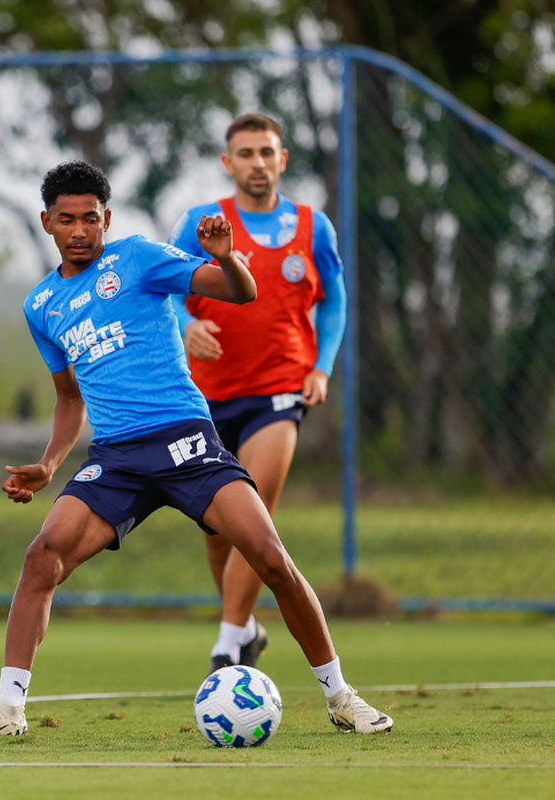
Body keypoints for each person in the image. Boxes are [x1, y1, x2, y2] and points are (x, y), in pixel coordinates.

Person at [0, 161, 390, 738]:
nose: (79, 230)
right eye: (66, 220)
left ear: (106, 218)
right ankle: (7, 709)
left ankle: (340, 696)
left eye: (90, 218)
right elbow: (67, 398)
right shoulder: (42, 306)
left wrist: (228, 256)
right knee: (43, 556)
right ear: (46, 222)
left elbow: (240, 290)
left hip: (185, 441)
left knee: (269, 556)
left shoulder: (135, 257)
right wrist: (50, 464)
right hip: (115, 459)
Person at [167, 113, 347, 676]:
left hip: (279, 393)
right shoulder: (201, 222)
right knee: (219, 532)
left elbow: (336, 301)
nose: (257, 163)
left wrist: (321, 367)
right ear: (228, 163)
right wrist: (185, 325)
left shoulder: (313, 227)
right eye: (245, 153)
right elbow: (166, 289)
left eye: (267, 152)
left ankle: (225, 646)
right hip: (206, 400)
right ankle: (244, 624)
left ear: (283, 159)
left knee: (254, 516)